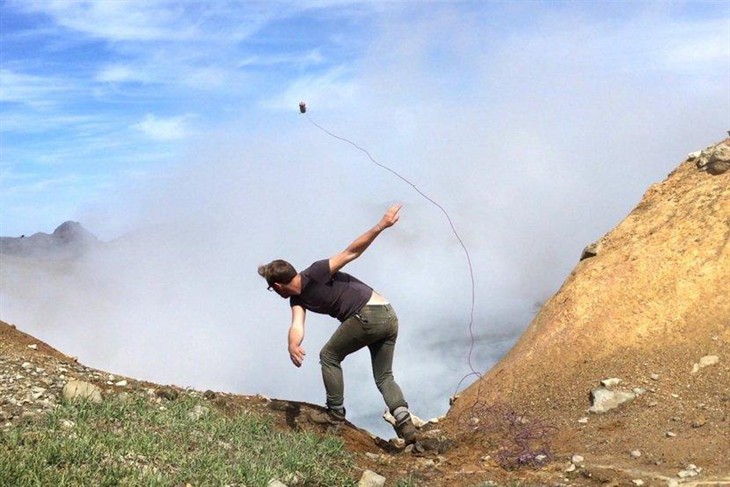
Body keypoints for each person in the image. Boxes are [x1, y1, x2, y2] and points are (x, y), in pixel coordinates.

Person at [258, 204, 417, 444]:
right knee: (384, 376)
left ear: (278, 286)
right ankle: (406, 425)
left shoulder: (316, 272)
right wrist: (292, 345)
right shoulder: (297, 298)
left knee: (329, 356)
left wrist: (381, 226)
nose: (273, 292)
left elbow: (351, 252)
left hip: (367, 314)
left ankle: (335, 416)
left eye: (271, 288)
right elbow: (297, 326)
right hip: (388, 316)